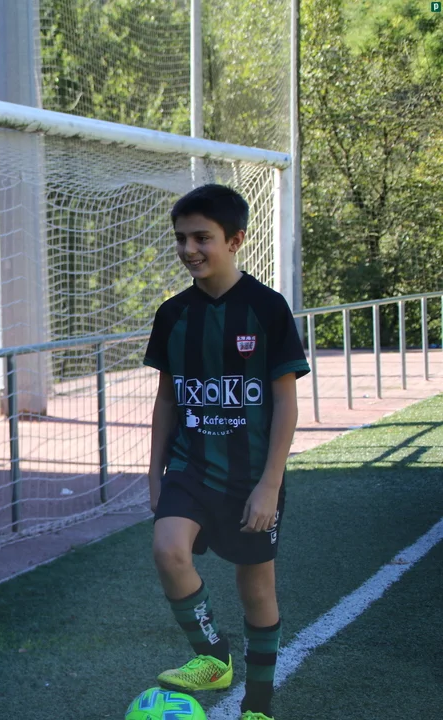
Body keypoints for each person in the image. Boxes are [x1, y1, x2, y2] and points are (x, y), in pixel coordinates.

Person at [143, 184, 310, 720]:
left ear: (235, 240)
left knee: (256, 588)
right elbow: (167, 398)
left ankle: (258, 706)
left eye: (202, 238)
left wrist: (270, 484)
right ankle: (214, 657)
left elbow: (285, 403)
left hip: (250, 476)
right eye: (181, 238)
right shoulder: (172, 314)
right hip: (189, 465)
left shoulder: (267, 308)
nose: (189, 249)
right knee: (168, 549)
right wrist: (154, 473)